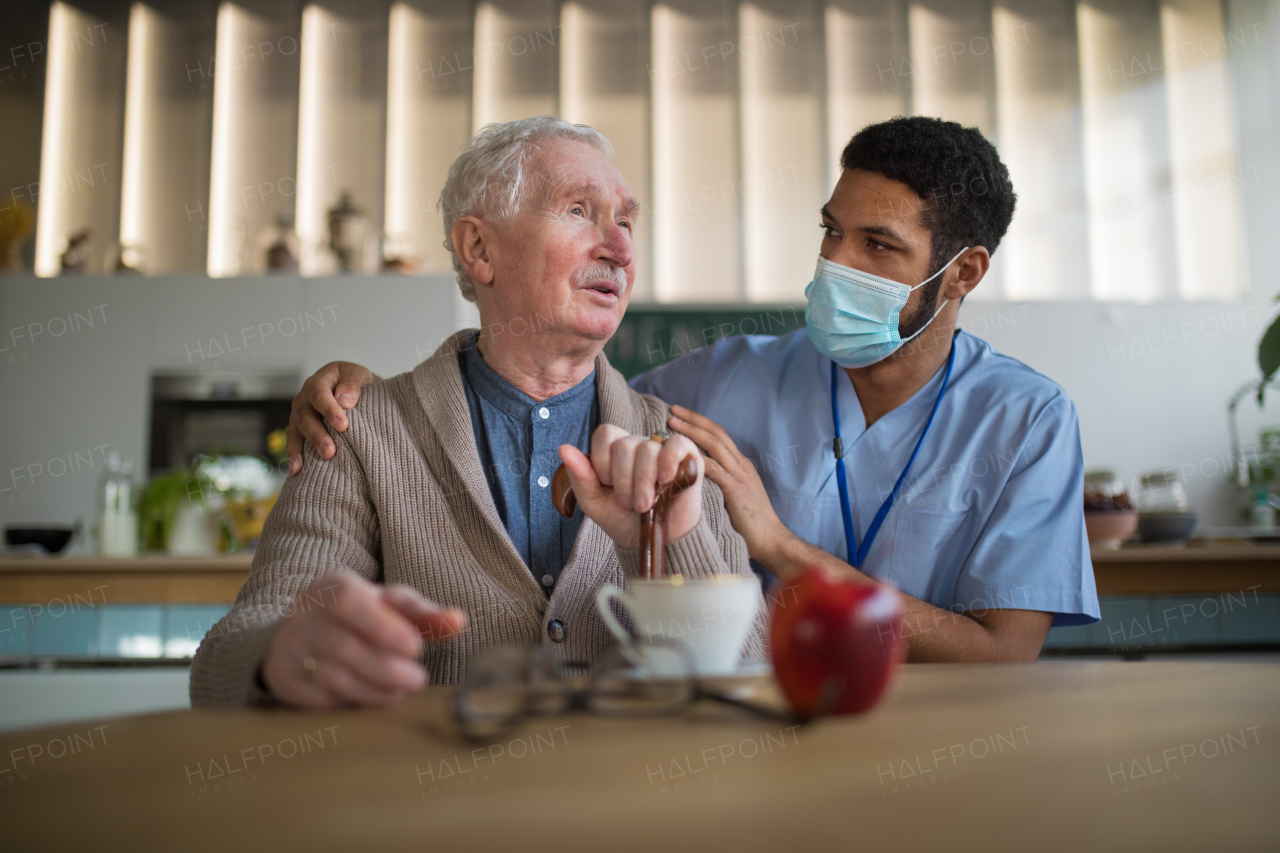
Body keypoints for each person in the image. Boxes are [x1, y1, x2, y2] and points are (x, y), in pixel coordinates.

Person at [288, 116, 1100, 663]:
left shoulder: (1025, 419)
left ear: (962, 272)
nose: (836, 264)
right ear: (478, 246)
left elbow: (1002, 651)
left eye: (878, 245)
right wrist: (371, 396)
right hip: (764, 735)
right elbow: (546, 397)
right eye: (830, 231)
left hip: (941, 744)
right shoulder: (719, 381)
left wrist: (780, 548)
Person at [189, 116, 767, 709]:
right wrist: (284, 653)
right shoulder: (357, 432)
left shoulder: (673, 445)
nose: (620, 249)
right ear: (479, 249)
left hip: (629, 800)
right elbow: (224, 662)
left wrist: (678, 541)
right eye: (578, 211)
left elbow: (752, 678)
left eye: (625, 221)